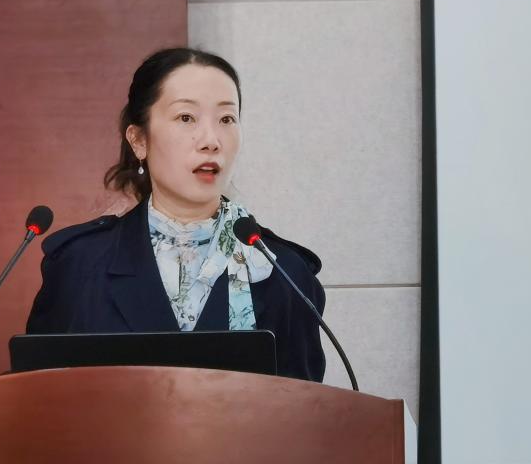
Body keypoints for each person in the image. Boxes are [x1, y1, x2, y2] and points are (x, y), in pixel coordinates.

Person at [26, 47, 326, 382]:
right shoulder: (77, 266)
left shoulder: (283, 273)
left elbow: (306, 406)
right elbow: (41, 399)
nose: (211, 141)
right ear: (139, 140)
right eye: (186, 118)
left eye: (226, 119)